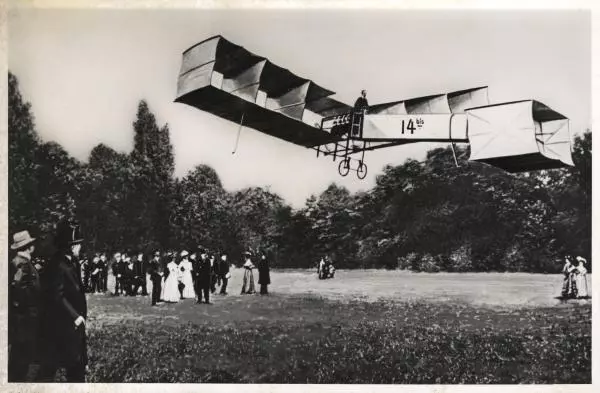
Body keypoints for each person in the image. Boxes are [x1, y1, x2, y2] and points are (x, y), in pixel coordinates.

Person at [37, 220, 88, 382]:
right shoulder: (57, 265)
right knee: (52, 366)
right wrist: (75, 316)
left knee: (75, 365)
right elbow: (57, 295)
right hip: (62, 325)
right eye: (78, 244)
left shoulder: (71, 263)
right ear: (70, 246)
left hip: (72, 325)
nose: (80, 247)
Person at [8, 230, 41, 382]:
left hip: (23, 318)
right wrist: (31, 305)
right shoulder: (22, 264)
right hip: (25, 319)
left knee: (21, 357)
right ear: (29, 247)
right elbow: (18, 288)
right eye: (32, 244)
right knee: (22, 360)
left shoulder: (21, 262)